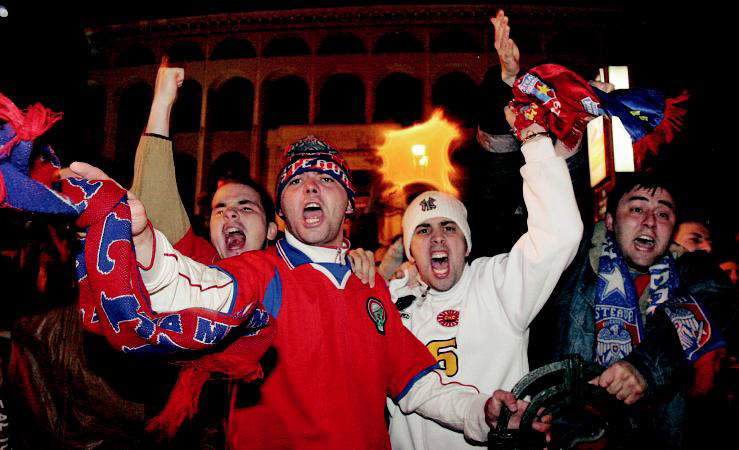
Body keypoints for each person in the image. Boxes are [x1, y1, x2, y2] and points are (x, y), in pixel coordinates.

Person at [126, 135, 546, 449]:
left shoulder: (371, 285)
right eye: (296, 181)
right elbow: (193, 291)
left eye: (326, 178)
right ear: (281, 210)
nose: (311, 186)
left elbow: (417, 385)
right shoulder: (260, 272)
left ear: (349, 204)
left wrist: (480, 413)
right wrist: (145, 247)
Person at [384, 106, 583, 449]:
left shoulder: (497, 284)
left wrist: (534, 141)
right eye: (423, 230)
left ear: (466, 245)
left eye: (449, 228)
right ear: (410, 252)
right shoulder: (391, 305)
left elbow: (559, 234)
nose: (437, 238)